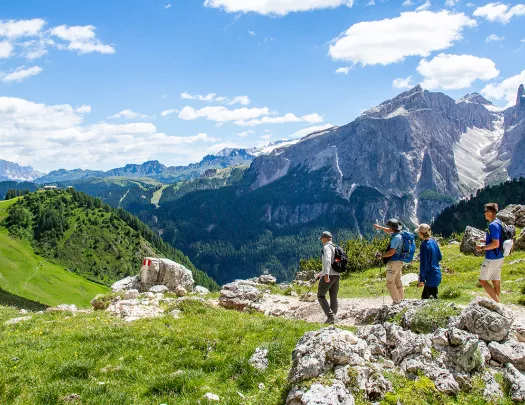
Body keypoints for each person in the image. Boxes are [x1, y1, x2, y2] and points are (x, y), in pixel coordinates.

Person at [476, 203, 504, 303]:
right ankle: (497, 303)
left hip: (492, 257)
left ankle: (498, 304)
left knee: (482, 281)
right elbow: (498, 239)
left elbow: (496, 244)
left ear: (490, 212)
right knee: (495, 280)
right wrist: (485, 241)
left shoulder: (493, 225)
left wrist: (482, 248)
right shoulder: (499, 222)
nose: (484, 214)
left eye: (485, 211)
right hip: (500, 256)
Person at [374, 219, 404, 305]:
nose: (388, 228)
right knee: (398, 281)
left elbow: (392, 252)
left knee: (389, 282)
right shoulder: (399, 234)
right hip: (399, 262)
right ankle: (401, 299)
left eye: (389, 227)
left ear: (392, 228)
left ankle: (397, 301)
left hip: (393, 262)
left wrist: (382, 256)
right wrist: (379, 227)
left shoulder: (395, 238)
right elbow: (388, 231)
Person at [316, 231, 340, 324]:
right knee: (333, 296)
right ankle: (333, 317)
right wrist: (321, 273)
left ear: (325, 238)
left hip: (329, 275)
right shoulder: (335, 247)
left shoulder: (326, 247)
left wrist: (325, 274)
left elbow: (328, 260)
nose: (321, 240)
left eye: (322, 238)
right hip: (336, 275)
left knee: (320, 296)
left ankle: (331, 317)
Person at [415, 224, 442, 299]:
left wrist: (421, 279)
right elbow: (440, 257)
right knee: (432, 298)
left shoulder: (424, 245)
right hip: (437, 274)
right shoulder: (433, 242)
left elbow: (423, 264)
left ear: (421, 234)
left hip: (430, 277)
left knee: (427, 301)